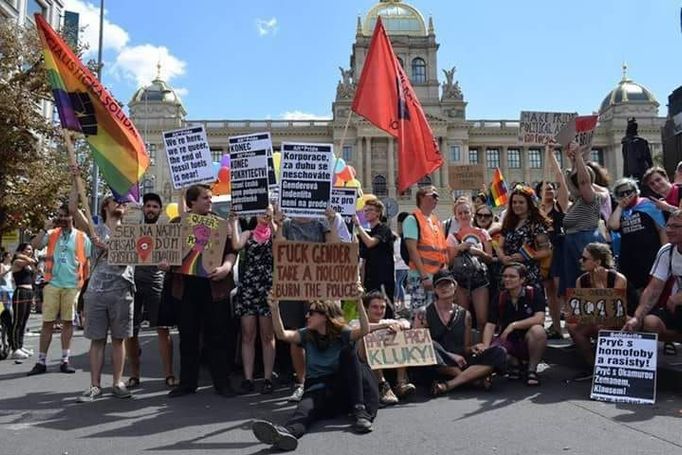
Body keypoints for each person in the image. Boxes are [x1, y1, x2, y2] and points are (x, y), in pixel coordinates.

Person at [251, 289, 378, 451]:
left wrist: (359, 301)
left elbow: (364, 330)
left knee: (349, 352)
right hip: (317, 388)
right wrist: (275, 309)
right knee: (303, 410)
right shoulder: (307, 334)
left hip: (341, 386)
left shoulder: (342, 333)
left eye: (311, 313)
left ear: (324, 316)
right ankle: (286, 434)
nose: (306, 316)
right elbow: (282, 335)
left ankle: (360, 412)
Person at [166, 184, 238, 398]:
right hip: (186, 289)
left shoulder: (220, 224)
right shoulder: (178, 223)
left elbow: (232, 251)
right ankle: (187, 383)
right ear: (192, 202)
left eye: (210, 197)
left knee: (218, 337)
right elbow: (167, 253)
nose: (210, 201)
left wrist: (226, 268)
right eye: (205, 198)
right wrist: (165, 263)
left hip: (214, 289)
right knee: (188, 337)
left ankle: (222, 383)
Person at [274, 206, 340, 402]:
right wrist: (277, 225)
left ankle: (322, 379)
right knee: (297, 334)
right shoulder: (286, 224)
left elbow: (335, 248)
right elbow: (278, 249)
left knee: (320, 332)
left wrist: (331, 222)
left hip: (317, 285)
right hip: (292, 286)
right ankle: (302, 382)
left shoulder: (321, 223)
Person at [75, 195, 136, 402]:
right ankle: (95, 385)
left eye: (122, 201)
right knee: (97, 340)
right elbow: (74, 209)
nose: (120, 203)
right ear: (105, 206)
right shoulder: (95, 229)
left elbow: (139, 255)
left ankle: (118, 382)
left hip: (122, 291)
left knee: (118, 339)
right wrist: (76, 180)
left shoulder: (132, 231)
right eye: (115, 200)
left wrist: (106, 247)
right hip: (96, 292)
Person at [414, 270, 506, 396]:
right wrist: (450, 355)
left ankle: (452, 384)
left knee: (499, 352)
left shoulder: (465, 315)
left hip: (460, 360)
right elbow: (417, 342)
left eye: (447, 284)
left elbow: (465, 348)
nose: (444, 288)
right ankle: (470, 379)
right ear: (435, 290)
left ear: (455, 286)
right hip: (438, 363)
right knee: (429, 344)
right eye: (440, 285)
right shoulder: (424, 313)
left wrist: (474, 348)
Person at [27, 201, 91, 376]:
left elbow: (89, 260)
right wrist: (44, 228)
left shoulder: (81, 237)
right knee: (47, 322)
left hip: (72, 285)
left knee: (67, 322)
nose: (62, 218)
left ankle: (65, 360)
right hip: (52, 284)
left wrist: (85, 284)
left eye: (65, 215)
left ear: (72, 217)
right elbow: (34, 245)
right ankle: (41, 361)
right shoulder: (52, 233)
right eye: (60, 216)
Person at [125, 193, 176, 390]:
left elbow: (173, 257)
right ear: (143, 209)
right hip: (133, 283)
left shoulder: (165, 232)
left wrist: (168, 265)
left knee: (163, 329)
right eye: (148, 206)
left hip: (157, 283)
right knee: (131, 331)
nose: (151, 209)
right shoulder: (132, 231)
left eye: (155, 206)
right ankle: (134, 375)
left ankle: (169, 374)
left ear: (160, 210)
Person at [229, 205, 277, 394]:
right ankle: (248, 378)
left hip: (268, 287)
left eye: (268, 212)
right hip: (248, 287)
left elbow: (280, 248)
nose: (265, 215)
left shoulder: (273, 234)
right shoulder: (248, 233)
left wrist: (274, 222)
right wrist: (233, 222)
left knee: (268, 335)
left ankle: (267, 377)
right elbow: (236, 245)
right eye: (263, 212)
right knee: (248, 334)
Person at [479, 263, 547, 386]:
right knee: (496, 349)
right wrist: (485, 346)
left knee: (538, 331)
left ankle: (531, 370)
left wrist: (513, 325)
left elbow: (540, 318)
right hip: (508, 340)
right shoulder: (500, 297)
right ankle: (514, 364)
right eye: (505, 276)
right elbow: (490, 324)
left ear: (522, 279)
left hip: (527, 340)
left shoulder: (533, 293)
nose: (507, 279)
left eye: (512, 276)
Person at [567, 243, 627, 381]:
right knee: (573, 327)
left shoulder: (618, 278)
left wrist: (600, 285)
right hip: (597, 317)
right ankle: (593, 366)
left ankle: (609, 367)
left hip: (623, 318)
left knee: (603, 325)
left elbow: (612, 311)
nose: (580, 261)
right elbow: (581, 311)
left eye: (584, 258)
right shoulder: (581, 280)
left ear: (597, 262)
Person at [623, 210, 682, 342]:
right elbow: (653, 288)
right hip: (676, 307)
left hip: (677, 301)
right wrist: (637, 317)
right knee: (650, 322)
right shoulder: (667, 251)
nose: (669, 230)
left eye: (676, 226)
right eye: (668, 225)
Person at [351, 291, 415, 405]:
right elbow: (359, 329)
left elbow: (407, 323)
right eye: (375, 307)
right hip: (363, 362)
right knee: (368, 336)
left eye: (382, 307)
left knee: (400, 334)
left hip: (388, 360)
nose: (379, 311)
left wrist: (399, 326)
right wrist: (384, 326)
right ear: (366, 309)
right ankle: (382, 385)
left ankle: (400, 383)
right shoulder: (355, 322)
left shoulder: (387, 321)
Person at [559, 143, 605, 297]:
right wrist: (573, 160)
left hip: (585, 241)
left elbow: (584, 181)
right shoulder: (578, 201)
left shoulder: (590, 198)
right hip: (573, 241)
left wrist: (578, 156)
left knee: (589, 282)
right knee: (575, 284)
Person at [607, 178, 666, 293]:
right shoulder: (620, 211)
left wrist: (664, 253)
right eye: (621, 194)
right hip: (629, 259)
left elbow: (661, 229)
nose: (625, 195)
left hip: (650, 257)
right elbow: (612, 225)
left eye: (628, 192)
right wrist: (620, 207)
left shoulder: (648, 205)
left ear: (635, 191)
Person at [446, 199, 492, 330]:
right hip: (460, 281)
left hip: (480, 280)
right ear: (455, 216)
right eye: (460, 213)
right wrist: (457, 249)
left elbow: (490, 259)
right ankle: (465, 348)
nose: (463, 215)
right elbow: (449, 263)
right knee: (463, 319)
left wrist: (480, 253)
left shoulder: (483, 233)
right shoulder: (452, 237)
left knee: (482, 319)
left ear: (472, 213)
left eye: (466, 212)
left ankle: (483, 347)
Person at [496, 185, 551, 291]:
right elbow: (499, 246)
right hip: (508, 274)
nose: (517, 205)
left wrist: (526, 256)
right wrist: (502, 257)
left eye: (521, 202)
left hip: (528, 275)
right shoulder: (508, 222)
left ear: (529, 204)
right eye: (514, 202)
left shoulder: (536, 224)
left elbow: (546, 251)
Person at [403, 186, 448, 312]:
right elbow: (412, 250)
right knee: (419, 315)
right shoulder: (412, 220)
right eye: (433, 196)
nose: (436, 199)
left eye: (437, 196)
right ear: (421, 197)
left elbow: (441, 250)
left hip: (436, 277)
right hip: (420, 278)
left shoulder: (435, 221)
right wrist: (424, 277)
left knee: (435, 315)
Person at [354, 199, 395, 309]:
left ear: (378, 213)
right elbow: (364, 260)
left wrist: (358, 226)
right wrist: (361, 283)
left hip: (383, 279)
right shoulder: (366, 233)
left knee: (385, 309)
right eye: (365, 210)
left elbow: (370, 243)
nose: (366, 212)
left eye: (370, 210)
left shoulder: (384, 229)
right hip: (370, 280)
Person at [9, 243, 37, 360]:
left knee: (24, 321)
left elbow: (34, 267)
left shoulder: (28, 263)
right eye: (27, 249)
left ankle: (20, 345)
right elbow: (32, 261)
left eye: (30, 249)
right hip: (21, 291)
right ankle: (15, 348)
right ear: (21, 250)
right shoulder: (17, 262)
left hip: (29, 292)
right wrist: (24, 256)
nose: (29, 251)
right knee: (18, 321)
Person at [622, 117, 653, 184]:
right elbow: (648, 159)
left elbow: (625, 160)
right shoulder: (641, 141)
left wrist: (625, 175)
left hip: (635, 171)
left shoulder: (627, 143)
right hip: (640, 171)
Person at [393, 212, 410, 307]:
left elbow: (397, 253)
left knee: (397, 284)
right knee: (400, 284)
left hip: (399, 265)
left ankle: (397, 302)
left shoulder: (399, 239)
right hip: (404, 265)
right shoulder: (402, 238)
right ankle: (403, 304)